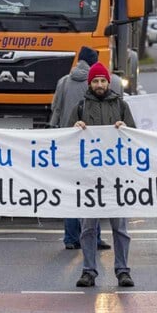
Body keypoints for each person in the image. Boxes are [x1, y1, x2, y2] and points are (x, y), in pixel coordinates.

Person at [70, 61, 135, 288]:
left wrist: (124, 128)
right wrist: (74, 128)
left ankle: (123, 270)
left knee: (120, 228)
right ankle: (89, 270)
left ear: (108, 82)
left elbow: (134, 137)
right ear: (90, 83)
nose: (99, 84)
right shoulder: (80, 107)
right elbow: (65, 139)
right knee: (88, 227)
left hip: (116, 177)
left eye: (103, 80)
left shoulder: (121, 106)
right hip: (89, 177)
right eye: (95, 81)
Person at [50, 46, 111, 252]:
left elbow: (55, 110)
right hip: (93, 146)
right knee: (94, 192)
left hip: (69, 143)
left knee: (71, 191)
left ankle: (70, 238)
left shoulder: (64, 82)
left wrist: (53, 135)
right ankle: (95, 238)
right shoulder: (95, 82)